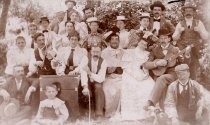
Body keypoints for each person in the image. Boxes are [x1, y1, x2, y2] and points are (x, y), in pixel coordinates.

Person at [113, 38, 155, 121]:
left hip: (142, 73)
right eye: (142, 43)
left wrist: (144, 75)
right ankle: (132, 115)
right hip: (129, 73)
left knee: (150, 84)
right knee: (132, 85)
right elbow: (125, 66)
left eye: (145, 44)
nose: (143, 45)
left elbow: (146, 67)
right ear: (138, 43)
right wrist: (135, 75)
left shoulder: (147, 54)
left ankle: (145, 114)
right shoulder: (129, 52)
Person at [144, 28, 182, 110]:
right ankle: (164, 111)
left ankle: (151, 102)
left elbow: (183, 62)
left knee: (162, 79)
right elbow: (146, 64)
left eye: (165, 38)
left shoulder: (175, 49)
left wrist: (187, 56)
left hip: (172, 74)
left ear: (169, 39)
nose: (163, 40)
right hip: (159, 74)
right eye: (161, 38)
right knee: (163, 86)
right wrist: (156, 63)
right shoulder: (154, 50)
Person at [172, 1, 209, 80]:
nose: (188, 12)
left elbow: (206, 37)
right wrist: (179, 32)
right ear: (184, 12)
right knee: (183, 68)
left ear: (193, 12)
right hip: (183, 49)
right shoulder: (180, 23)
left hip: (194, 49)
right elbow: (174, 37)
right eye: (186, 10)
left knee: (194, 68)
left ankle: (193, 84)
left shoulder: (198, 23)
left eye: (190, 10)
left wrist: (200, 31)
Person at [82, 44, 108, 120]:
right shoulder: (85, 58)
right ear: (90, 52)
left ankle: (99, 114)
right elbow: (83, 73)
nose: (96, 53)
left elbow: (101, 79)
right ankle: (87, 113)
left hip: (97, 80)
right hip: (86, 79)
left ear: (101, 52)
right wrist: (85, 86)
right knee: (85, 91)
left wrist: (90, 73)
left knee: (98, 88)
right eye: (94, 51)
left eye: (98, 51)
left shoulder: (103, 61)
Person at [101, 32, 124, 117]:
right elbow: (102, 68)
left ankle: (121, 112)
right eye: (113, 39)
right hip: (109, 77)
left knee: (123, 88)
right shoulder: (104, 52)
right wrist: (110, 70)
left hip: (122, 76)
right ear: (109, 41)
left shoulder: (123, 51)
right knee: (108, 89)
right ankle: (110, 113)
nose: (114, 41)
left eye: (116, 39)